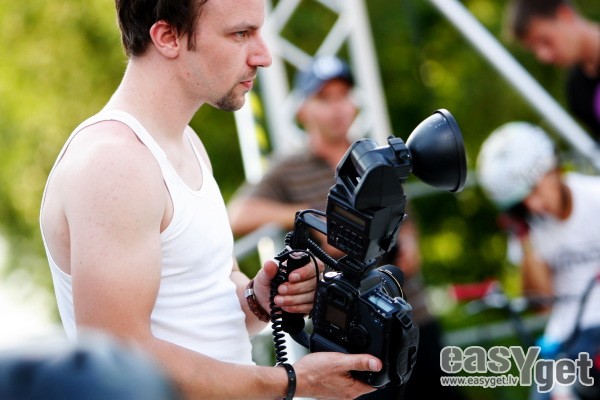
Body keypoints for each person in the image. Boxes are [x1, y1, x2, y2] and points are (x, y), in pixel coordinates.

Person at [38, 1, 384, 399]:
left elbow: (206, 306)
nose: (264, 56)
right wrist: (295, 380)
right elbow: (116, 363)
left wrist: (259, 298)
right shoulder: (115, 161)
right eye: (240, 34)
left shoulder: (184, 141)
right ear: (168, 37)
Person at [228, 55, 465, 400]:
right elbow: (237, 214)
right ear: (303, 110)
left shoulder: (378, 158)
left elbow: (406, 220)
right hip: (354, 335)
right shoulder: (289, 168)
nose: (338, 107)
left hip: (412, 316)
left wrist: (409, 242)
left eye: (343, 95)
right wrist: (312, 220)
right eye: (325, 98)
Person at [476, 122, 600, 399]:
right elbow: (542, 305)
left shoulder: (595, 196)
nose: (533, 204)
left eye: (533, 189)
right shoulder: (530, 227)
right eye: (522, 200)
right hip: (567, 337)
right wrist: (524, 239)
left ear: (552, 168)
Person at [504, 0, 600, 139]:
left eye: (545, 41)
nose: (544, 56)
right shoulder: (577, 90)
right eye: (533, 49)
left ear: (564, 15)